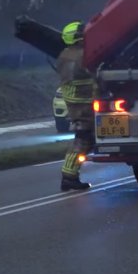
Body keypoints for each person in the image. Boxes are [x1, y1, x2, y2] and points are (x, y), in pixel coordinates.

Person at [57, 21, 95, 191]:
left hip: (79, 103)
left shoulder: (67, 54)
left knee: (84, 138)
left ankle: (69, 176)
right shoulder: (78, 56)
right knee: (83, 138)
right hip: (82, 104)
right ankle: (69, 177)